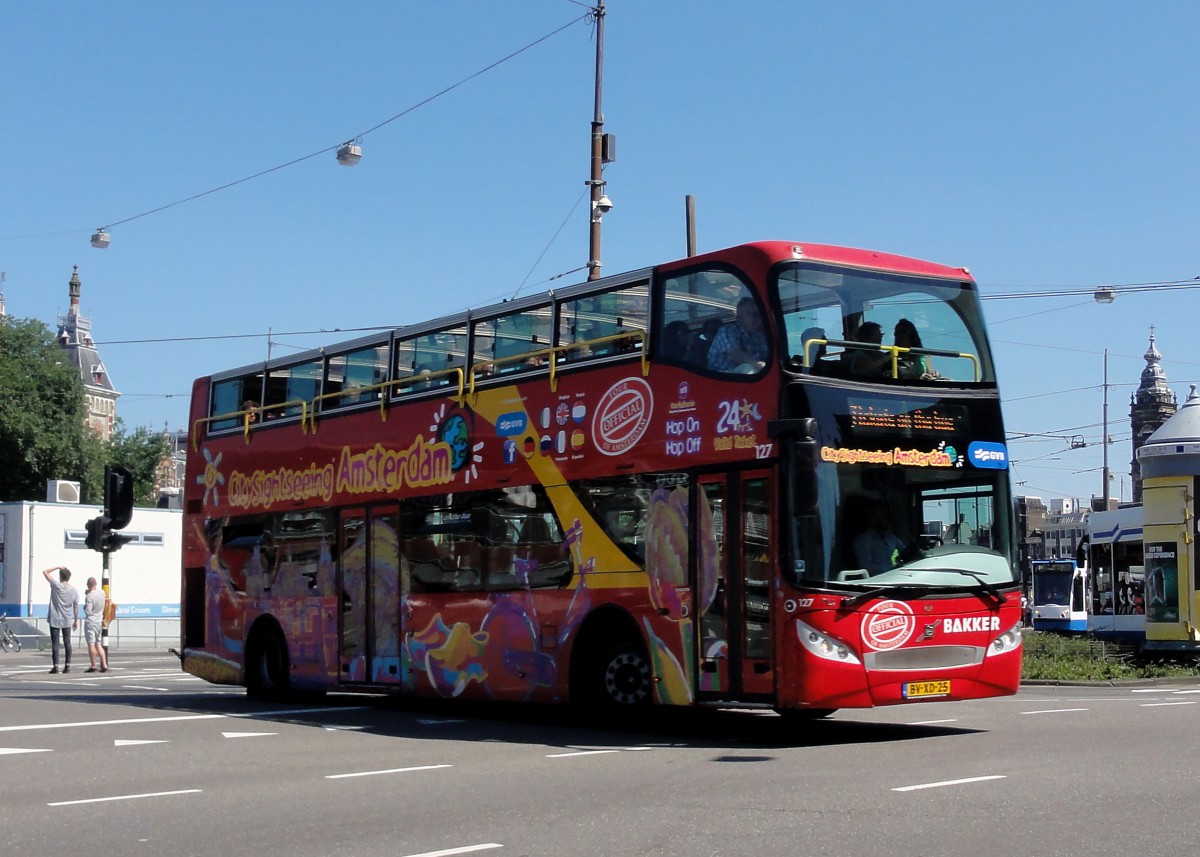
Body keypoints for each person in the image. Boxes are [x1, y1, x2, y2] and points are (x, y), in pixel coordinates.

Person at [707, 297, 769, 372]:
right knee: (748, 369)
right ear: (739, 316)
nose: (754, 318)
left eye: (757, 314)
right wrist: (759, 364)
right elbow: (736, 355)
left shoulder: (760, 335)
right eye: (749, 313)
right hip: (720, 377)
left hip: (750, 377)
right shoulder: (727, 330)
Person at [43, 566, 79, 674]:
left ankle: (56, 666)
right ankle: (67, 666)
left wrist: (58, 566)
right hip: (67, 618)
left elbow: (45, 571)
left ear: (60, 577)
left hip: (55, 618)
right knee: (67, 642)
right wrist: (76, 620)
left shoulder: (56, 585)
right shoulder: (74, 590)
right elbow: (76, 606)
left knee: (55, 643)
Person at [853, 500, 904, 574]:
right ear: (872, 518)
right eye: (883, 516)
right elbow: (867, 570)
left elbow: (905, 551)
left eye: (887, 516)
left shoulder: (890, 537)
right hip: (878, 581)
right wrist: (893, 570)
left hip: (894, 576)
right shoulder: (863, 541)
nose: (887, 519)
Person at [83, 577, 109, 673]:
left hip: (91, 621)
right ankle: (104, 664)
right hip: (99, 621)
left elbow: (88, 611)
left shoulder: (89, 596)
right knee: (98, 644)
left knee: (91, 643)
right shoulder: (102, 593)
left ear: (89, 585)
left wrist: (85, 605)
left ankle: (93, 665)